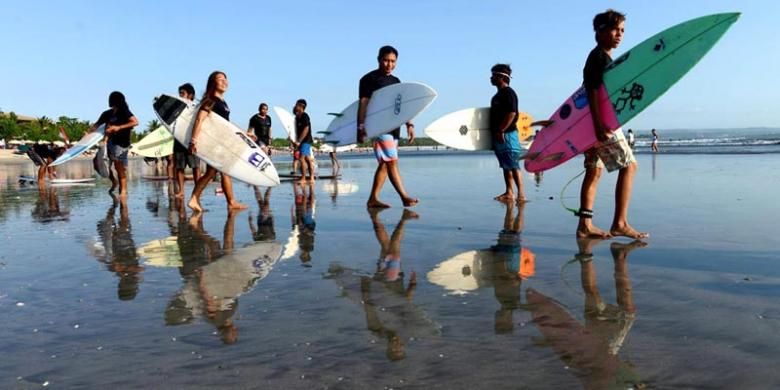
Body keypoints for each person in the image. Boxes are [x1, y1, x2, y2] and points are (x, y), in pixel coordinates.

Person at [577, 9, 647, 239]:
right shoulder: (599, 58)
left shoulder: (599, 57)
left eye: (623, 30)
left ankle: (585, 225)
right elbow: (594, 92)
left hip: (590, 123)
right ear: (600, 31)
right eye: (615, 29)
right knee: (629, 166)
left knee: (594, 171)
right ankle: (620, 222)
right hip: (601, 123)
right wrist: (598, 125)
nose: (620, 34)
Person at [357, 45, 418, 208]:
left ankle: (373, 199)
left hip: (394, 127)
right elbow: (363, 103)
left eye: (393, 61)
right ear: (379, 60)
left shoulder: (396, 81)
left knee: (385, 163)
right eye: (386, 60)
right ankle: (404, 196)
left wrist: (409, 124)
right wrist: (361, 126)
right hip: (378, 126)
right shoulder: (368, 79)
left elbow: (401, 106)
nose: (389, 64)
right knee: (391, 161)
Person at [188, 71, 247, 212]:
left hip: (221, 142)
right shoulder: (210, 100)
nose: (224, 81)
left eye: (225, 79)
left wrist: (244, 133)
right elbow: (199, 119)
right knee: (216, 172)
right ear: (213, 83)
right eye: (220, 79)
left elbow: (226, 124)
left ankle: (229, 201)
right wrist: (193, 140)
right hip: (214, 143)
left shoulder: (222, 102)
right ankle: (195, 199)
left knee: (215, 172)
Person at [88, 91, 139, 197]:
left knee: (119, 167)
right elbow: (96, 125)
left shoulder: (124, 112)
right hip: (108, 142)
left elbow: (135, 122)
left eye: (111, 99)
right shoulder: (106, 114)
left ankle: (123, 190)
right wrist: (87, 134)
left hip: (121, 144)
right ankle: (114, 181)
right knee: (97, 163)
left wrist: (118, 127)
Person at [489, 63, 526, 203]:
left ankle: (521, 194)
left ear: (502, 77)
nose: (491, 78)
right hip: (499, 134)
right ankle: (509, 192)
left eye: (494, 76)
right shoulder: (497, 96)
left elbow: (512, 113)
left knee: (513, 164)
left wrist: (501, 130)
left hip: (508, 134)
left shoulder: (508, 93)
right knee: (505, 165)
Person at [171, 83, 201, 198]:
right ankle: (181, 191)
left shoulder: (196, 108)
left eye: (182, 93)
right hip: (178, 140)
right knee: (179, 167)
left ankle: (197, 191)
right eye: (180, 93)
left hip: (191, 140)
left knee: (195, 167)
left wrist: (195, 140)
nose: (180, 96)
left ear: (191, 95)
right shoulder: (176, 107)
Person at [292, 99, 315, 182]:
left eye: (296, 105)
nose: (295, 106)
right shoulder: (297, 117)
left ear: (301, 106)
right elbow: (297, 131)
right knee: (308, 159)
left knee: (301, 158)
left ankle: (304, 178)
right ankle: (312, 178)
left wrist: (299, 141)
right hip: (301, 141)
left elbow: (306, 129)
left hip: (306, 140)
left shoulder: (305, 116)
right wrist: (296, 141)